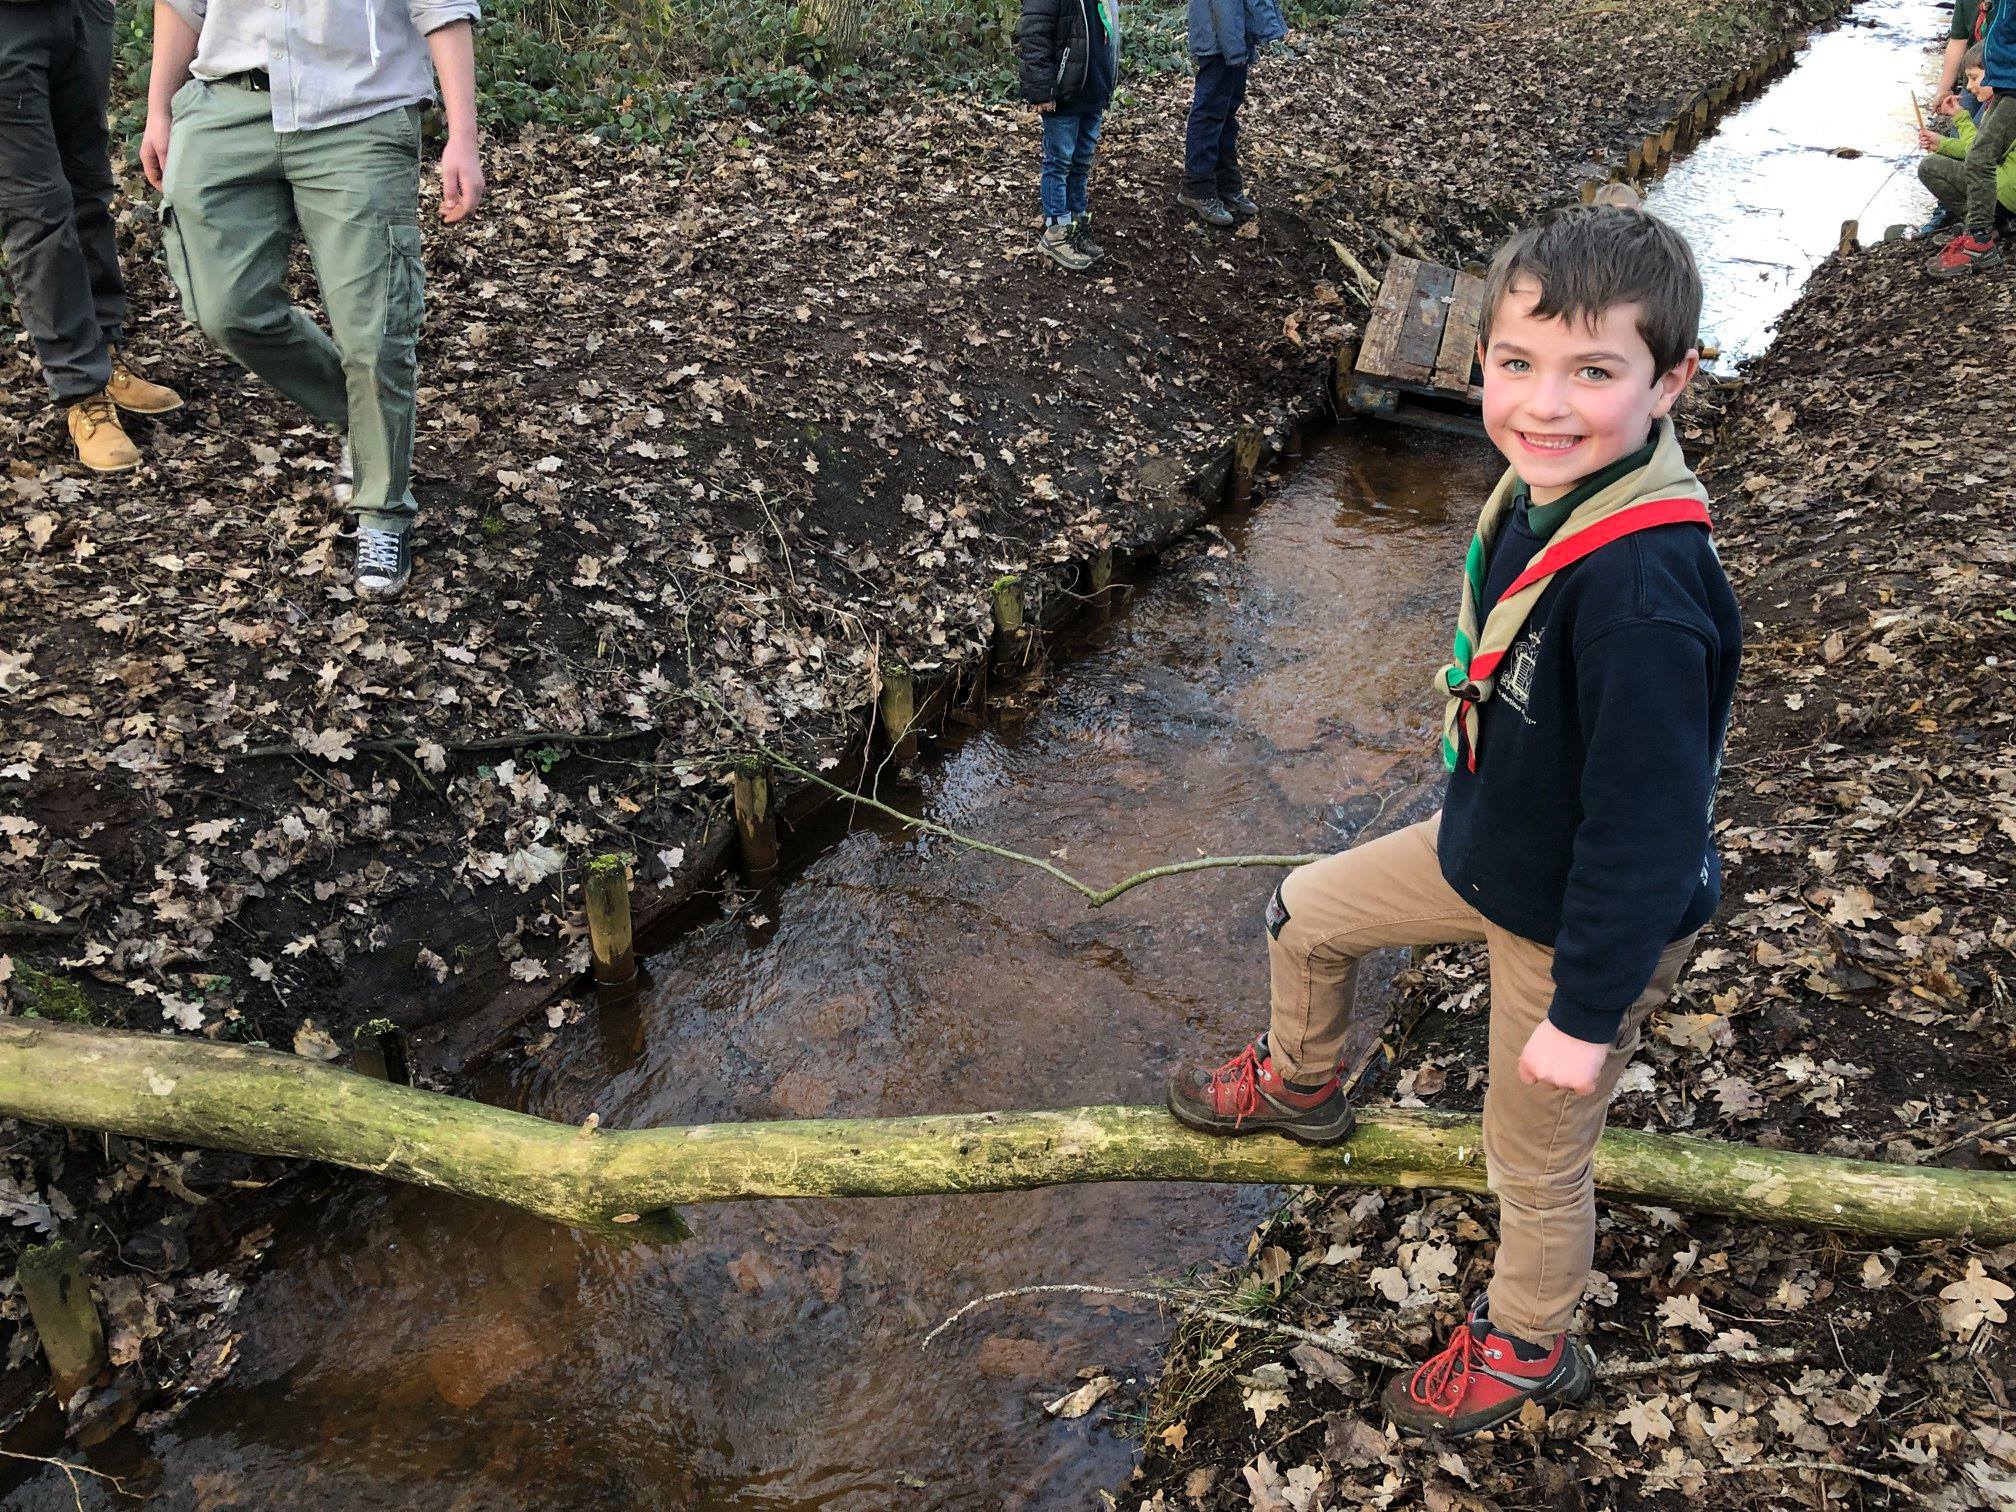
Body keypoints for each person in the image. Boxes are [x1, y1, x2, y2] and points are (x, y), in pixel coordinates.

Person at [1167, 206, 1741, 1438]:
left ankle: (1530, 1341)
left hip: (1576, 916)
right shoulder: (1552, 492)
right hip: (1486, 846)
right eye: (1516, 364)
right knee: (1302, 912)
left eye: (1595, 372)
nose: (1542, 403)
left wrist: (1587, 1021)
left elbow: (1645, 838)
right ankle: (1302, 1087)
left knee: (1532, 1156)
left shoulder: (1644, 593)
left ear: (1671, 381)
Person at [142, 0, 486, 601]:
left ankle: (384, 511)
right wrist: (158, 111)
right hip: (225, 107)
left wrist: (463, 134)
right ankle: (363, 423)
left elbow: (443, 8)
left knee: (375, 332)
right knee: (224, 308)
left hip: (359, 112)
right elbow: (183, 4)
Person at [0, 0, 183, 473]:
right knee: (37, 211)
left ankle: (103, 350)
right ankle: (81, 389)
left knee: (89, 189)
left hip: (83, 11)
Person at [1016, 0, 1120, 272]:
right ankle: (1056, 231)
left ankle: (1076, 223)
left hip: (1093, 90)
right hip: (1064, 93)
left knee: (1082, 161)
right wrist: (1041, 89)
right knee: (1059, 161)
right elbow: (1034, 34)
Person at [1177, 0, 1285, 228]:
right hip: (1219, 38)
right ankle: (1197, 187)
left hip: (1233, 35)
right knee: (1210, 112)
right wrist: (1233, 47)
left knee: (1227, 112)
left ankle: (1226, 184)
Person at [1929, 0, 2016, 276]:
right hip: (2004, 79)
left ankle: (1979, 243)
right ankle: (1985, 230)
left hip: (2010, 80)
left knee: (1979, 156)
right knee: (1980, 151)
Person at [1919, 47, 2015, 234]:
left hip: (2006, 194)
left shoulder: (2007, 107)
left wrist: (1961, 118)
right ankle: (1993, 222)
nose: (1969, 86)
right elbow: (1982, 148)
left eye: (1974, 77)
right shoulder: (2002, 100)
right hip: (2008, 187)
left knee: (1928, 166)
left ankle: (1982, 224)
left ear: (1996, 71)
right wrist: (1941, 144)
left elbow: (1978, 155)